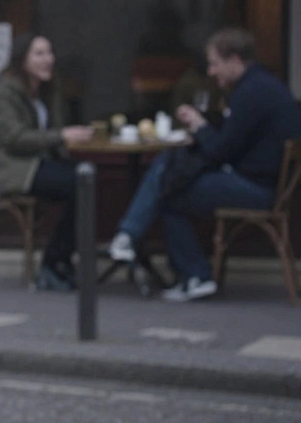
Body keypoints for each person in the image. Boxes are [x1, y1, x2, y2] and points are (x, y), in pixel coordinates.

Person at [109, 28, 301, 302]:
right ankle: (173, 263)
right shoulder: (262, 86)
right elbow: (231, 145)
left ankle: (187, 270)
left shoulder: (250, 94)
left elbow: (221, 152)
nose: (211, 72)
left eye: (214, 63)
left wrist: (200, 128)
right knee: (169, 175)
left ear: (234, 60)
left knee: (169, 188)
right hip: (263, 183)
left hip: (256, 188)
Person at [0, 34, 95, 292]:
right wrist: (62, 136)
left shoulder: (45, 91)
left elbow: (54, 130)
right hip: (13, 169)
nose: (48, 60)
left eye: (50, 53)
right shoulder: (5, 93)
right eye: (40, 54)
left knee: (85, 179)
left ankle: (59, 261)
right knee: (80, 182)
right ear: (23, 60)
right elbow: (15, 139)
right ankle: (53, 262)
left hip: (36, 163)